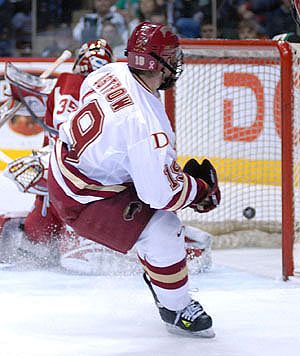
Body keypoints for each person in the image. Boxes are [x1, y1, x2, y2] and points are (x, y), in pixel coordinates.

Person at [48, 22, 221, 337]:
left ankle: (159, 269)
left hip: (66, 167)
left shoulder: (108, 72)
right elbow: (161, 196)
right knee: (164, 230)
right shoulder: (145, 125)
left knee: (154, 203)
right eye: (173, 56)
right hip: (83, 198)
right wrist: (200, 190)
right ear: (160, 63)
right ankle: (176, 309)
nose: (177, 62)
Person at [0, 39, 114, 269]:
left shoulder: (65, 84)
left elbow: (25, 88)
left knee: (41, 236)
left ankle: (38, 240)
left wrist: (16, 88)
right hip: (77, 181)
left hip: (59, 174)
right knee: (51, 238)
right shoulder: (98, 93)